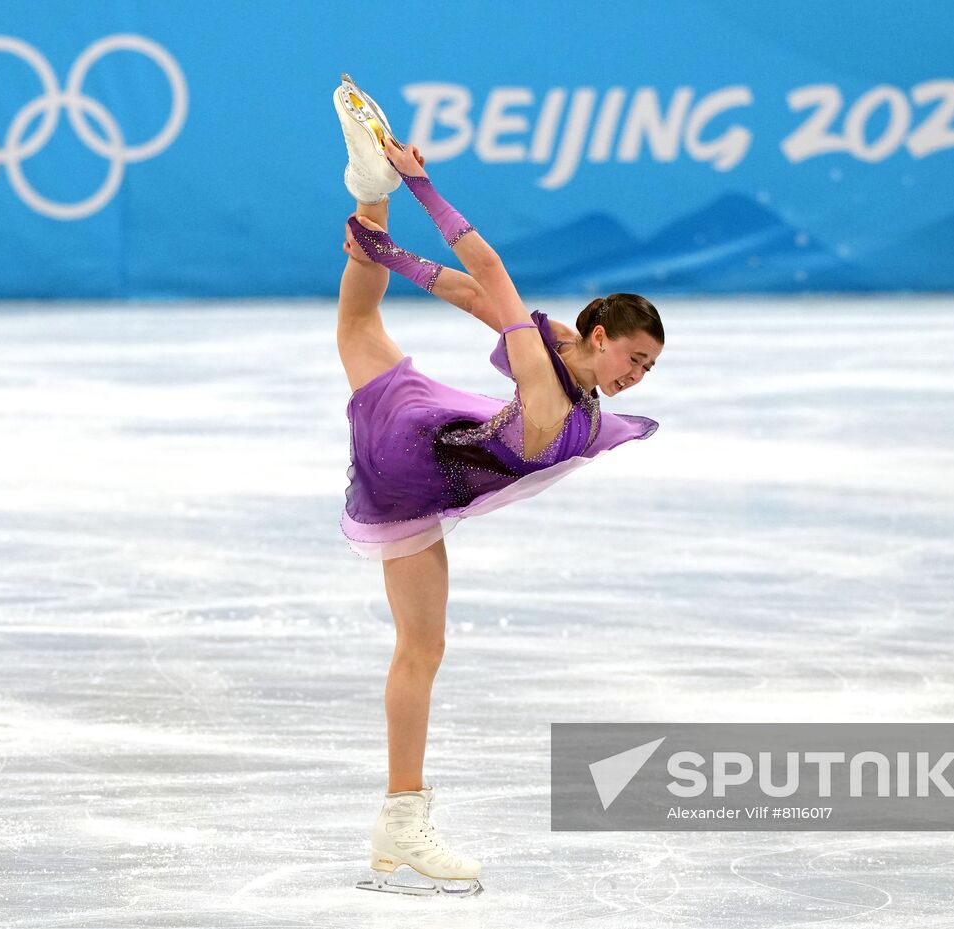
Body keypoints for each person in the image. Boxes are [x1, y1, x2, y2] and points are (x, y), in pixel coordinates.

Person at [332, 74, 664, 898]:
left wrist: (386, 247)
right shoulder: (543, 377)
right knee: (422, 647)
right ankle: (402, 819)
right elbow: (485, 266)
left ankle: (367, 191)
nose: (636, 377)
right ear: (600, 336)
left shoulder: (561, 353)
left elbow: (471, 291)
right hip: (413, 467)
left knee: (360, 325)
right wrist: (422, 184)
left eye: (648, 369)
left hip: (434, 431)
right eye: (633, 359)